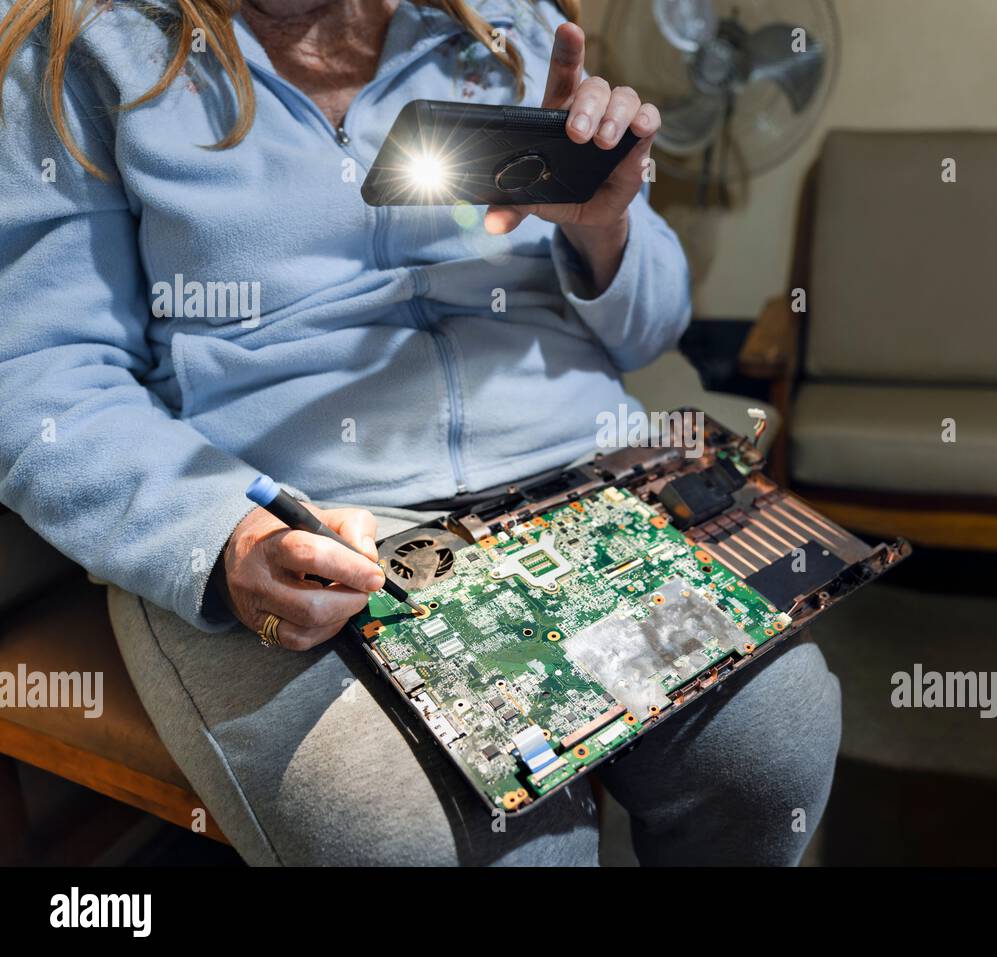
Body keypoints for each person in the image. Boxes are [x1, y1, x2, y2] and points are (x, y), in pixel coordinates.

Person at [0, 0, 841, 865]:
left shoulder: (509, 23)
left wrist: (607, 227)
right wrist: (224, 537)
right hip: (304, 522)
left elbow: (651, 325)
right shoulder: (79, 52)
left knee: (777, 745)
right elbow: (40, 374)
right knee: (468, 848)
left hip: (580, 479)